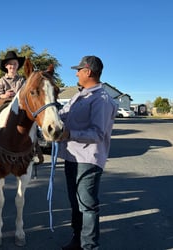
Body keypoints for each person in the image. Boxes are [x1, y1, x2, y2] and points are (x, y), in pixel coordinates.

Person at [58, 56, 118, 250]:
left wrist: (68, 133)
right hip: (71, 157)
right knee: (75, 204)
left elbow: (98, 133)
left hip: (88, 160)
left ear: (88, 72)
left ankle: (90, 246)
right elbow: (62, 115)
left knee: (87, 205)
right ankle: (78, 240)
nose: (76, 73)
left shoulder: (101, 99)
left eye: (78, 70)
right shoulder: (79, 96)